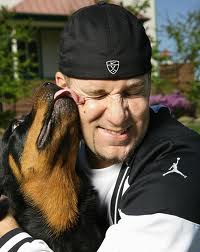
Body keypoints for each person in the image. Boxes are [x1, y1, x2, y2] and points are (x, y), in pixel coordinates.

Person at [1, 2, 200, 251]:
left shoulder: (181, 162)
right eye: (96, 95)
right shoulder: (70, 149)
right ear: (64, 88)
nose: (117, 117)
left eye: (132, 92)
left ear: (149, 84)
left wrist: (6, 233)